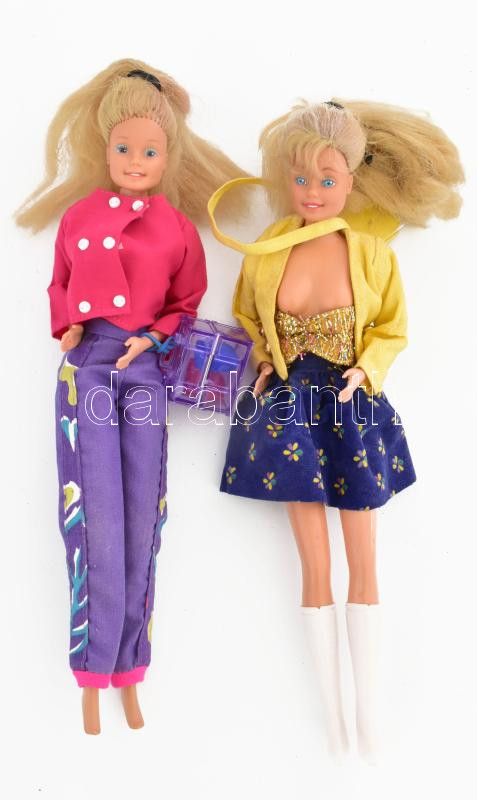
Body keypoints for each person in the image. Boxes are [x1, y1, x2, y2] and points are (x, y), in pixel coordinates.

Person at [207, 99, 464, 762]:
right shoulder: (266, 251)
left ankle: (368, 713)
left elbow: (392, 327)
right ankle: (333, 718)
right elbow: (248, 319)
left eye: (327, 179)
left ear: (352, 179)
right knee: (313, 563)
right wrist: (264, 362)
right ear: (283, 181)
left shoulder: (370, 253)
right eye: (300, 179)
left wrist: (366, 368)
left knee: (363, 557)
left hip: (351, 411)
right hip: (287, 412)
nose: (313, 192)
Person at [16, 58, 246, 734]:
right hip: (87, 366)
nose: (136, 161)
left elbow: (185, 299)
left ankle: (132, 663)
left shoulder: (175, 227)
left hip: (143, 369)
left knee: (144, 509)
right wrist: (67, 326)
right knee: (91, 511)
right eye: (125, 149)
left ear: (167, 155)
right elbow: (60, 282)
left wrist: (154, 337)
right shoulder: (79, 216)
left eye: (149, 151)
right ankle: (92, 669)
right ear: (106, 148)